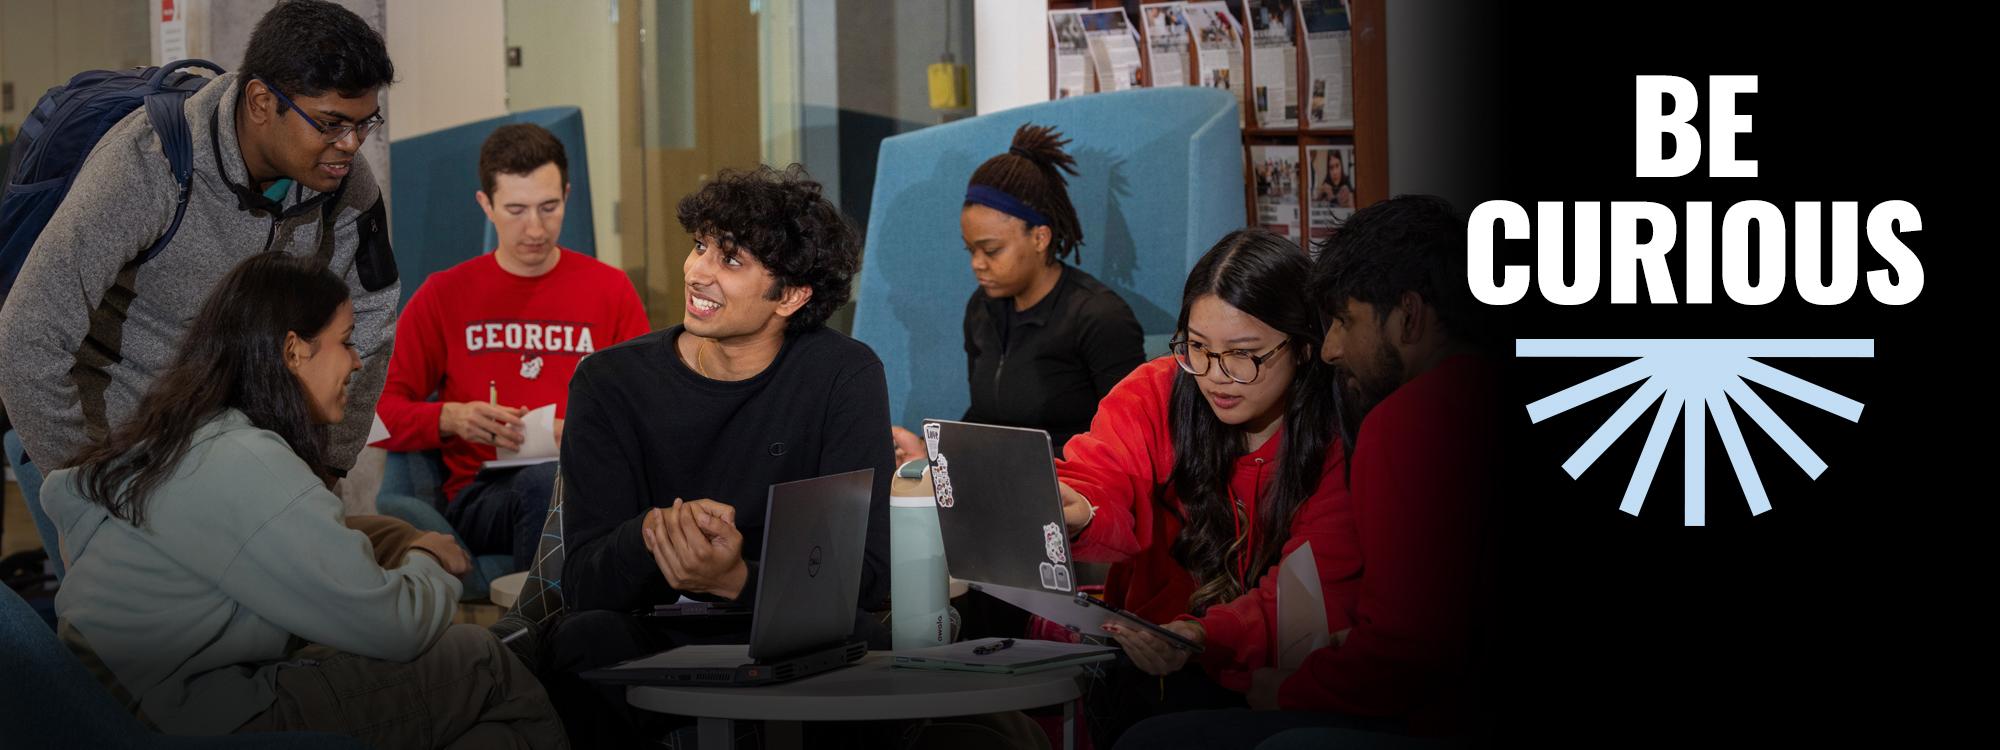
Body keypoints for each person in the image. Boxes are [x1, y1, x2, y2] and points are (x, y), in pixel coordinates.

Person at [39, 253, 566, 748]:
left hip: (124, 706)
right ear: (294, 351)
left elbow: (305, 540)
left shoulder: (189, 439)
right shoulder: (245, 460)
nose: (358, 363)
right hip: (191, 717)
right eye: (347, 341)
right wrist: (428, 561)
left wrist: (399, 543)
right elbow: (396, 627)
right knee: (482, 663)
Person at [0, 0, 406, 574]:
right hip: (109, 449)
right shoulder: (148, 164)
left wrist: (326, 468)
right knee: (129, 651)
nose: (351, 144)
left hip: (223, 465)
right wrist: (86, 491)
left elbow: (371, 320)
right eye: (331, 123)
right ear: (262, 102)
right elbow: (27, 337)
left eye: (365, 122)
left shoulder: (344, 184)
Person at [1113, 196, 1500, 749]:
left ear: (1410, 315)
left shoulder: (1405, 422)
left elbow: (1405, 653)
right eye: (1197, 349)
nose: (1335, 347)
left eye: (1346, 321)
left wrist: (1294, 688)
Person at [536, 165, 893, 746]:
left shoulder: (843, 375)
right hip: (647, 628)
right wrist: (653, 535)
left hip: (785, 629)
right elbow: (584, 583)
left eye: (730, 260)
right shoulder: (610, 381)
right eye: (700, 246)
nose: (697, 271)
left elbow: (868, 577)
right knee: (583, 639)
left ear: (792, 295)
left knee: (866, 643)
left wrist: (736, 580)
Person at [1051, 229, 1359, 747]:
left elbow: (1316, 577)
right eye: (1197, 347)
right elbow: (1100, 473)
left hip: (1279, 671)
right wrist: (1078, 507)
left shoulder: (1338, 432)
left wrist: (1201, 635)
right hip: (1153, 664)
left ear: (1304, 347)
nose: (1215, 376)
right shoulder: (1156, 390)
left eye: (1244, 354)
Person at [376, 123, 648, 571]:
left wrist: (580, 434)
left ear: (567, 194)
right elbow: (377, 416)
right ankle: (541, 633)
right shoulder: (445, 295)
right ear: (486, 205)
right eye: (516, 210)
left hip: (588, 481)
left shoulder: (610, 290)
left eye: (549, 207)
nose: (535, 229)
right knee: (545, 485)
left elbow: (644, 410)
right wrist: (452, 418)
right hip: (486, 492)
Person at [897, 124, 1144, 465]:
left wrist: (1023, 465)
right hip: (1003, 486)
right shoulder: (982, 308)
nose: (977, 265)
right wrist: (931, 454)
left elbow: (1132, 444)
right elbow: (987, 421)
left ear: (1040, 238)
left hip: (1079, 494)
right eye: (970, 250)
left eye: (991, 250)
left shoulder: (1100, 317)